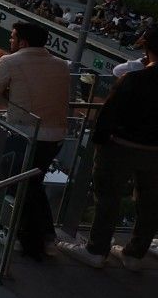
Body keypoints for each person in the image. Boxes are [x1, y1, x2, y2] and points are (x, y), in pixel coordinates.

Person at [62, 30, 158, 269]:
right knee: (150, 203)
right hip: (155, 155)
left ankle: (96, 250)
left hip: (120, 148)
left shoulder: (133, 79)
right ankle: (135, 255)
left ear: (148, 49)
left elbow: (107, 115)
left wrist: (99, 142)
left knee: (107, 198)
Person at [0, 22, 69, 261]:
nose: (10, 41)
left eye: (13, 37)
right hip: (55, 138)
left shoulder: (9, 61)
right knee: (33, 184)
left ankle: (28, 238)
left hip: (25, 134)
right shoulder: (62, 64)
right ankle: (43, 237)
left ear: (22, 42)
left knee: (19, 185)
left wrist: (14, 104)